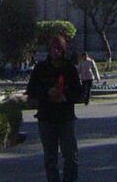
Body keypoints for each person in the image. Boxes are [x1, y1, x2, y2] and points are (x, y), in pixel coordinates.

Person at [26, 34, 83, 182]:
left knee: (70, 156)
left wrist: (66, 96)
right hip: (46, 117)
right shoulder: (40, 68)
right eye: (53, 48)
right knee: (50, 157)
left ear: (64, 50)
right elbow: (31, 90)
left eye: (59, 48)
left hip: (66, 117)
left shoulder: (70, 69)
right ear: (49, 50)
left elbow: (78, 92)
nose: (56, 51)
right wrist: (46, 92)